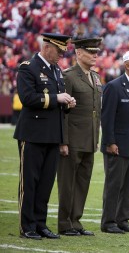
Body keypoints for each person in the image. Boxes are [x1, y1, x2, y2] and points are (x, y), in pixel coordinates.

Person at [14, 33, 75, 240]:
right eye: (58, 51)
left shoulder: (56, 70)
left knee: (46, 183)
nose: (61, 55)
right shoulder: (27, 67)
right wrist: (56, 98)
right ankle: (27, 225)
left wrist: (66, 104)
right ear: (47, 47)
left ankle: (40, 223)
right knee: (30, 182)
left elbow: (57, 105)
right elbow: (28, 98)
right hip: (32, 134)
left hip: (51, 134)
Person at [57, 37, 103, 236]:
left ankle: (76, 221)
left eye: (96, 52)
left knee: (83, 182)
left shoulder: (95, 77)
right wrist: (64, 140)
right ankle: (64, 223)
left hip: (90, 139)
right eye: (90, 52)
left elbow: (96, 111)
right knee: (67, 182)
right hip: (73, 139)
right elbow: (63, 112)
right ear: (78, 53)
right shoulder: (69, 76)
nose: (95, 55)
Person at [100, 48, 129, 234]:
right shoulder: (114, 86)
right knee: (114, 186)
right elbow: (107, 118)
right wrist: (110, 142)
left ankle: (123, 220)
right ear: (127, 66)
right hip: (117, 146)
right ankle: (109, 222)